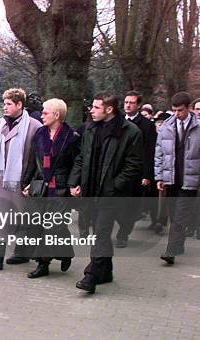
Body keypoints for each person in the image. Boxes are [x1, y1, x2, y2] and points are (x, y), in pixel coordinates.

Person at [68, 93, 143, 294]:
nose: (91, 110)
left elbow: (133, 164)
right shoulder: (90, 129)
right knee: (98, 231)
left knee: (101, 232)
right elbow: (81, 158)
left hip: (112, 194)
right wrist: (74, 182)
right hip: (91, 191)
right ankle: (106, 271)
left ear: (109, 109)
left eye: (96, 107)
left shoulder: (130, 131)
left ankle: (91, 275)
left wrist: (115, 185)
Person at [0, 88, 42, 271]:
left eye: (9, 104)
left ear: (19, 104)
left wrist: (30, 180)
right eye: (4, 104)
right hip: (0, 180)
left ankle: (23, 252)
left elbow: (37, 158)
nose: (5, 107)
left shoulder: (34, 126)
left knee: (22, 218)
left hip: (20, 181)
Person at [21, 98, 79, 278]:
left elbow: (76, 164)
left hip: (60, 188)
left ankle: (44, 263)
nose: (42, 115)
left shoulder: (72, 137)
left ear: (57, 115)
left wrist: (74, 184)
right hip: (41, 186)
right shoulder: (39, 133)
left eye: (45, 112)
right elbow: (33, 161)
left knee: (54, 226)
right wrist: (26, 182)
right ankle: (62, 254)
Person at [155, 91, 200, 264]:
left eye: (180, 110)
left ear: (188, 108)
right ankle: (178, 244)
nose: (176, 114)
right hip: (171, 177)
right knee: (174, 214)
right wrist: (159, 177)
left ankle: (171, 250)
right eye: (174, 110)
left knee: (181, 214)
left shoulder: (198, 127)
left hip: (190, 178)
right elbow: (159, 153)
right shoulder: (166, 126)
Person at [115, 90, 156, 247]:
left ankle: (123, 233)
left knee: (131, 206)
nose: (128, 105)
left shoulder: (147, 125)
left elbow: (149, 150)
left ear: (138, 105)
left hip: (137, 171)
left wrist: (147, 174)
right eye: (126, 102)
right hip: (119, 169)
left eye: (131, 102)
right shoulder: (118, 122)